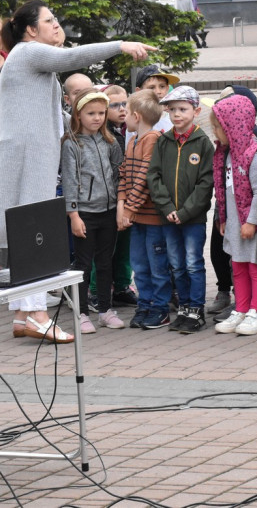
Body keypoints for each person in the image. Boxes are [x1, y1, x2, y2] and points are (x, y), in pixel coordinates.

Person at [0, 0, 152, 343]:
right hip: (27, 158)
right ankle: (36, 314)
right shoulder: (27, 52)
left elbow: (49, 113)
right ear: (31, 29)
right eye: (50, 20)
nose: (56, 24)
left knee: (27, 231)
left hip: (30, 156)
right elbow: (71, 59)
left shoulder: (28, 58)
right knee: (34, 232)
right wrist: (120, 45)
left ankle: (23, 313)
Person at [209, 95, 257, 336]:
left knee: (256, 268)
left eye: (218, 126)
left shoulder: (253, 153)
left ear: (233, 124)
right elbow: (226, 190)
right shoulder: (227, 153)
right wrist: (225, 218)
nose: (215, 131)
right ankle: (241, 309)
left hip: (253, 226)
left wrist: (251, 221)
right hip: (235, 224)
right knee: (238, 267)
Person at [147, 86, 214, 333]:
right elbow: (153, 176)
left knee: (193, 263)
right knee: (176, 264)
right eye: (172, 109)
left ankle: (197, 310)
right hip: (168, 217)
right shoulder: (164, 141)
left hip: (192, 218)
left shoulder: (203, 143)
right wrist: (167, 208)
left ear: (196, 111)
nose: (177, 114)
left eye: (183, 109)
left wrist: (185, 212)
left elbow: (205, 183)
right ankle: (184, 307)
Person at [61, 88, 125, 333]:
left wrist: (119, 205)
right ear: (78, 115)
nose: (97, 118)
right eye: (91, 113)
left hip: (108, 211)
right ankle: (82, 313)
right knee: (84, 265)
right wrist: (74, 214)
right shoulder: (71, 144)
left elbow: (119, 173)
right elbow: (69, 180)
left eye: (101, 113)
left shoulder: (110, 140)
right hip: (84, 213)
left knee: (106, 263)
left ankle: (105, 310)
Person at [118, 90, 169, 329]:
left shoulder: (153, 139)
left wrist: (128, 208)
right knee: (139, 265)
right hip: (136, 218)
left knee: (157, 266)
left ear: (136, 116)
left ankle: (160, 308)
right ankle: (145, 304)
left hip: (152, 219)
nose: (123, 116)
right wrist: (122, 204)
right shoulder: (132, 140)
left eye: (126, 112)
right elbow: (124, 174)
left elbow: (144, 178)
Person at [97, 84, 139, 308]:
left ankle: (122, 285)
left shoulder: (129, 130)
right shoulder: (102, 134)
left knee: (125, 246)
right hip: (108, 198)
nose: (122, 109)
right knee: (104, 248)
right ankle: (95, 290)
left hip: (127, 198)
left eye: (125, 104)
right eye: (115, 105)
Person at [133, 65, 179, 132]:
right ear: (139, 91)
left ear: (167, 89)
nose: (158, 92)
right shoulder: (134, 121)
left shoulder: (175, 120)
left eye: (162, 86)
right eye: (151, 87)